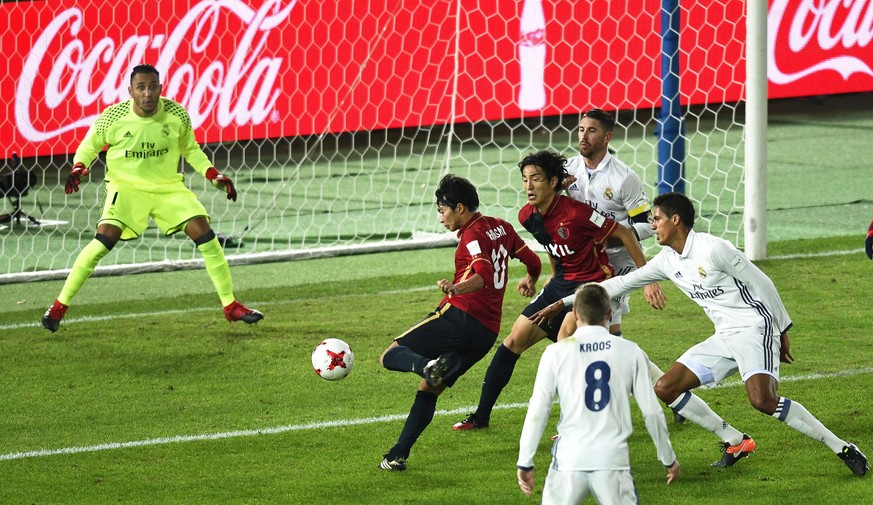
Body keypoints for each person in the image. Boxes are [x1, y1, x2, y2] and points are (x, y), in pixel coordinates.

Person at [543, 192, 868, 475]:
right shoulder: (668, 261)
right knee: (666, 387)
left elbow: (762, 284)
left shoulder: (715, 249)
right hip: (724, 335)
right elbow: (617, 284)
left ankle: (842, 447)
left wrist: (781, 329)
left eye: (656, 219)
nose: (652, 226)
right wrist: (563, 301)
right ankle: (736, 441)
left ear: (676, 219)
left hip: (755, 328)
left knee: (763, 400)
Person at [41, 64, 263, 332]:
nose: (148, 93)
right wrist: (79, 166)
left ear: (160, 87)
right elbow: (89, 146)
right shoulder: (113, 117)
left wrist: (213, 175)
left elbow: (190, 149)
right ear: (131, 91)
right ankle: (58, 306)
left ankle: (230, 306)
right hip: (125, 188)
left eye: (152, 86)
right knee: (102, 242)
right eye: (141, 87)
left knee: (206, 236)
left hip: (167, 188)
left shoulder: (176, 114)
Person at [452, 150, 662, 431]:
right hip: (561, 284)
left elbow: (623, 233)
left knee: (572, 348)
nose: (528, 186)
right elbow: (550, 242)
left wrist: (647, 278)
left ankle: (579, 422)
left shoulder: (578, 213)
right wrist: (550, 275)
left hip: (590, 288)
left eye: (535, 179)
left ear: (553, 182)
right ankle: (481, 417)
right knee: (514, 340)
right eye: (525, 179)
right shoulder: (527, 215)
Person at [378, 174, 542, 471]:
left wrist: (457, 289)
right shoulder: (502, 227)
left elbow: (481, 275)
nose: (440, 218)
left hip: (459, 316)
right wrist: (530, 279)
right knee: (430, 389)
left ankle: (425, 365)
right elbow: (534, 261)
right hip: (485, 333)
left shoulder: (472, 236)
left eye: (443, 210)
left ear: (461, 208)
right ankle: (397, 455)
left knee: (390, 355)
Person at [517, 283, 680, 503]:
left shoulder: (555, 352)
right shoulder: (630, 351)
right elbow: (651, 412)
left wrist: (525, 461)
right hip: (612, 459)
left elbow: (539, 408)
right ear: (609, 314)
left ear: (574, 314)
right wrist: (668, 458)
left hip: (569, 458)